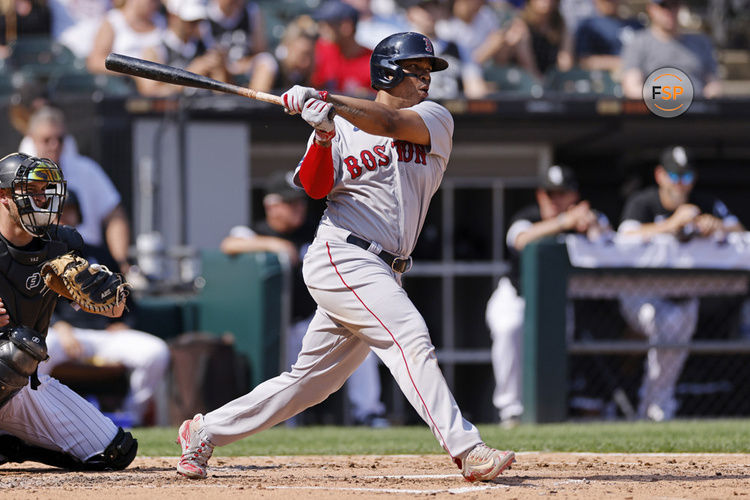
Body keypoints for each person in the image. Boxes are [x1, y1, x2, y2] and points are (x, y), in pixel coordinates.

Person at [175, 31, 515, 482]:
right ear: (388, 71)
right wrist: (321, 132)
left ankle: (205, 430)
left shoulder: (434, 118)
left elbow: (388, 124)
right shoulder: (341, 125)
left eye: (428, 70)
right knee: (409, 336)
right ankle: (467, 449)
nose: (425, 78)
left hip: (387, 268)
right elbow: (315, 188)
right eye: (416, 69)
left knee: (312, 382)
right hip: (343, 253)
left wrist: (325, 99)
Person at [0, 152, 137, 470]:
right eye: (30, 192)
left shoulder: (61, 245)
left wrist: (105, 293)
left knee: (114, 452)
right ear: (4, 195)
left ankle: (11, 443)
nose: (40, 200)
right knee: (14, 350)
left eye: (44, 192)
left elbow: (115, 311)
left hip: (24, 384)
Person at [221, 172, 388, 426]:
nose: (298, 208)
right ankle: (288, 422)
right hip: (276, 326)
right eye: (290, 203)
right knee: (289, 371)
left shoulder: (315, 230)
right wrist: (273, 244)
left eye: (300, 202)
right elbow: (229, 244)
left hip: (311, 316)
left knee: (363, 346)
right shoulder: (255, 231)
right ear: (271, 205)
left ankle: (369, 413)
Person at [618, 145, 743, 421]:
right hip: (641, 292)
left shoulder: (704, 203)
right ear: (660, 175)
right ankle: (654, 405)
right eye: (674, 176)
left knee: (674, 321)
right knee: (667, 323)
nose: (680, 184)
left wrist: (717, 225)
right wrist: (672, 223)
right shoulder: (644, 202)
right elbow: (624, 238)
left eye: (686, 177)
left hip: (683, 293)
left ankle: (657, 406)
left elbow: (740, 231)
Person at [485, 164, 610, 427]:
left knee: (557, 348)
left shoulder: (585, 218)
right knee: (509, 329)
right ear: (540, 194)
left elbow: (611, 242)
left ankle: (550, 412)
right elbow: (520, 240)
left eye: (562, 193)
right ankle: (510, 411)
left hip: (558, 302)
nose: (555, 200)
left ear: (573, 196)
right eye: (550, 193)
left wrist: (591, 225)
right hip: (515, 296)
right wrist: (564, 222)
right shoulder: (527, 216)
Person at [37, 190, 170, 427]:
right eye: (59, 212)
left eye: (69, 211)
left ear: (78, 215)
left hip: (104, 335)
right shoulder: (39, 255)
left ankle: (133, 417)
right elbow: (34, 301)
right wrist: (59, 325)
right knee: (35, 351)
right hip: (64, 335)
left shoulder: (99, 253)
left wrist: (122, 323)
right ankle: (42, 416)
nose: (64, 217)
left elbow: (125, 295)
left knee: (156, 352)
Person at [20, 106, 131, 273]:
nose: (54, 145)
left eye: (60, 139)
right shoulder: (19, 178)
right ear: (32, 139)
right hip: (41, 256)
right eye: (46, 139)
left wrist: (121, 262)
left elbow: (114, 214)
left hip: (89, 253)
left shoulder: (87, 170)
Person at [621, 0, 721, 99]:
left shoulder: (701, 42)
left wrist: (704, 100)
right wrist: (666, 98)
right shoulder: (639, 43)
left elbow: (713, 84)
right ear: (651, 9)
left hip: (696, 108)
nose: (670, 11)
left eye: (674, 4)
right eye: (664, 6)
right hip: (655, 108)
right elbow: (632, 87)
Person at [136, 0, 230, 97]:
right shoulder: (155, 50)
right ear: (172, 16)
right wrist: (192, 75)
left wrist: (221, 72)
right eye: (189, 21)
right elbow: (150, 95)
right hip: (174, 111)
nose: (195, 25)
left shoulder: (207, 46)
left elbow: (223, 95)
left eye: (198, 20)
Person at [401, 0, 488, 99]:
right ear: (410, 14)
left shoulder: (456, 46)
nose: (430, 13)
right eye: (424, 8)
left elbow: (474, 84)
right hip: (418, 108)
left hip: (454, 110)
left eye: (434, 6)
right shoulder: (403, 48)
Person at [475, 0, 574, 81]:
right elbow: (526, 68)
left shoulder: (561, 25)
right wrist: (541, 86)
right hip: (526, 85)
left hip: (551, 80)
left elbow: (565, 64)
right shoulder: (519, 23)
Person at [201, 0, 277, 91]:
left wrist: (241, 64)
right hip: (219, 66)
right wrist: (226, 64)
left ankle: (257, 102)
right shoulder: (204, 13)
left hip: (244, 64)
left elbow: (260, 50)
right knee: (215, 64)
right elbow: (206, 53)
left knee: (266, 60)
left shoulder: (250, 11)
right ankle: (221, 102)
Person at [310, 0, 374, 96]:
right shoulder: (320, 50)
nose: (321, 29)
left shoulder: (373, 61)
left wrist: (367, 96)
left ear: (346, 27)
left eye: (328, 24)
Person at [87, 0, 166, 74]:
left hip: (161, 78)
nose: (155, 3)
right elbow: (95, 61)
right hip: (124, 83)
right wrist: (134, 70)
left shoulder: (163, 20)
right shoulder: (114, 20)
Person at [574, 0, 643, 72]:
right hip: (604, 78)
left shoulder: (636, 24)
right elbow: (585, 61)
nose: (611, 2)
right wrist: (623, 63)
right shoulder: (589, 26)